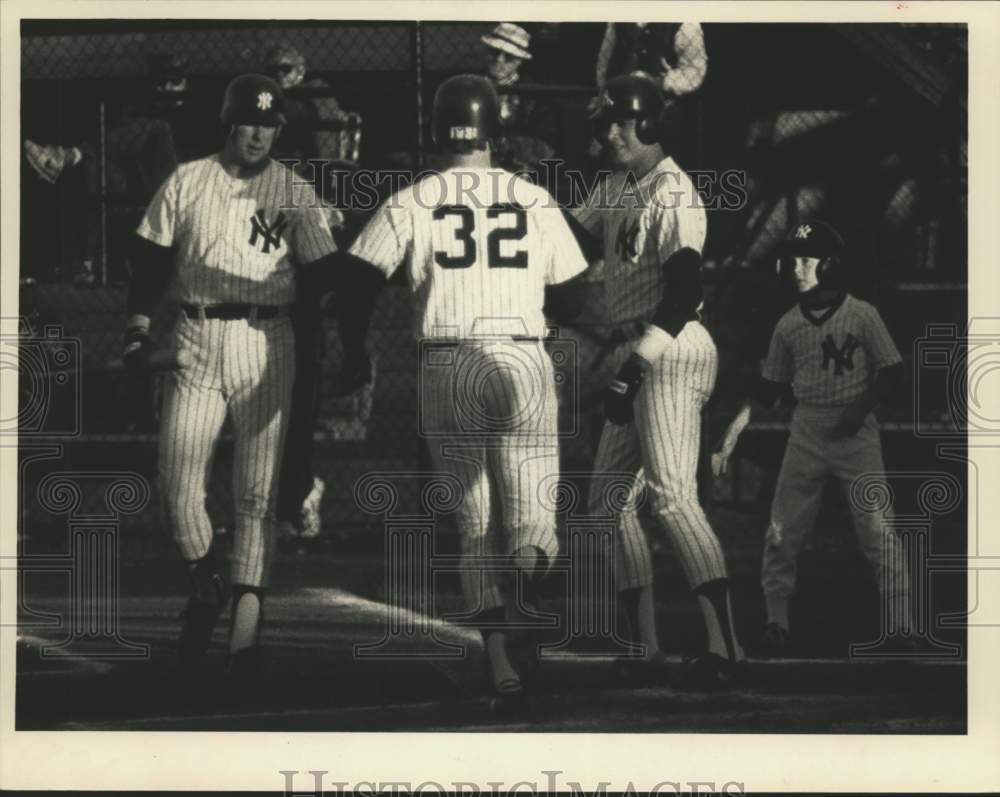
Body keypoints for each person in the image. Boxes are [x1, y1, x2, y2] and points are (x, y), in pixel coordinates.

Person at [346, 74, 589, 714]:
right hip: (520, 354)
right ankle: (529, 581)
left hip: (446, 361)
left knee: (473, 525)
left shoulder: (412, 198)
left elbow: (356, 280)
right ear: (493, 131)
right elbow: (575, 296)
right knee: (531, 521)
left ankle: (501, 664)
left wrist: (353, 349)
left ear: (438, 131)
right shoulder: (532, 197)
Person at [121, 74, 341, 693]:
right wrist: (137, 330)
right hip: (194, 338)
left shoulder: (293, 189)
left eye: (270, 125)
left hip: (267, 341)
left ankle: (245, 632)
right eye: (250, 121)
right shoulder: (187, 180)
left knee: (255, 496)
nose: (259, 134)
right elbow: (148, 263)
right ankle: (207, 586)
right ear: (229, 122)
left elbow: (322, 278)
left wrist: (341, 249)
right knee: (176, 488)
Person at [573, 72, 746, 689]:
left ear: (649, 123)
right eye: (604, 124)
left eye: (621, 122)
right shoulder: (615, 185)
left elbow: (683, 294)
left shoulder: (674, 191)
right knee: (606, 504)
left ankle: (727, 648)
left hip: (670, 347)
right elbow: (567, 240)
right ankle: (645, 646)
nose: (610, 134)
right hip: (637, 351)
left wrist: (636, 364)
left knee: (673, 498)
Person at [711, 221, 912, 656]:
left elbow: (892, 370)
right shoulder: (788, 325)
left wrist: (859, 408)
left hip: (856, 432)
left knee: (877, 527)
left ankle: (902, 623)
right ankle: (776, 621)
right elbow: (769, 388)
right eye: (792, 260)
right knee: (782, 528)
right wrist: (734, 429)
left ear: (831, 265)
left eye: (807, 260)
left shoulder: (862, 314)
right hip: (807, 429)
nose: (796, 268)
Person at [261, 42, 360, 541]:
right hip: (269, 244)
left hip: (306, 230)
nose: (279, 77)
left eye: (286, 70)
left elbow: (332, 160)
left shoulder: (315, 102)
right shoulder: (267, 114)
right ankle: (275, 495)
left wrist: (322, 202)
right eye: (273, 70)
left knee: (300, 384)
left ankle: (297, 491)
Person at [479, 23, 561, 183]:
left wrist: (503, 144)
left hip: (519, 172)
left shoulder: (535, 96)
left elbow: (545, 147)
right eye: (494, 52)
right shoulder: (469, 87)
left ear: (520, 61)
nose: (499, 59)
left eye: (509, 57)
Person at [595, 22, 707, 98]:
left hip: (663, 106)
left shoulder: (687, 23)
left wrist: (663, 82)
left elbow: (695, 71)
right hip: (619, 101)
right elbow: (604, 59)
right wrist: (602, 92)